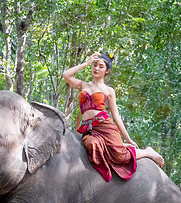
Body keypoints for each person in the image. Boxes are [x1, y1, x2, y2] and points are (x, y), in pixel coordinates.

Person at [63, 52, 164, 182]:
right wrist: (86, 63)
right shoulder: (83, 85)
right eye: (94, 65)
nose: (96, 68)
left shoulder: (109, 90)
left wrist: (128, 138)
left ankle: (147, 152)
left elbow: (116, 116)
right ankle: (121, 145)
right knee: (91, 144)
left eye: (100, 66)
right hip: (89, 129)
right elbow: (66, 75)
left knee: (120, 157)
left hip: (105, 126)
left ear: (107, 71)